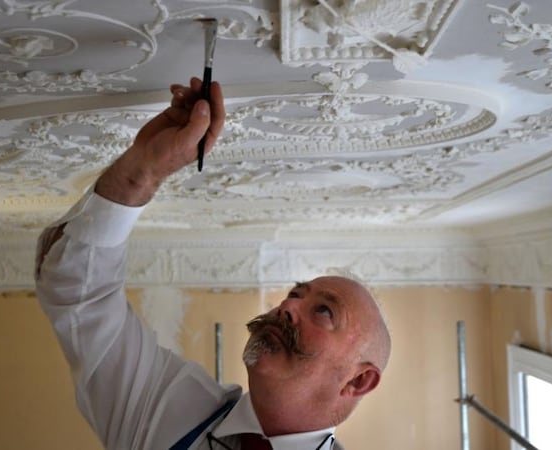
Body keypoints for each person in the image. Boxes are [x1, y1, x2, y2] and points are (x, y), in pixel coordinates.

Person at [34, 77, 391, 450]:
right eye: (294, 294)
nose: (288, 306)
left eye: (323, 312)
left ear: (358, 381)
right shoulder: (168, 407)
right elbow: (75, 288)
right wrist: (143, 168)